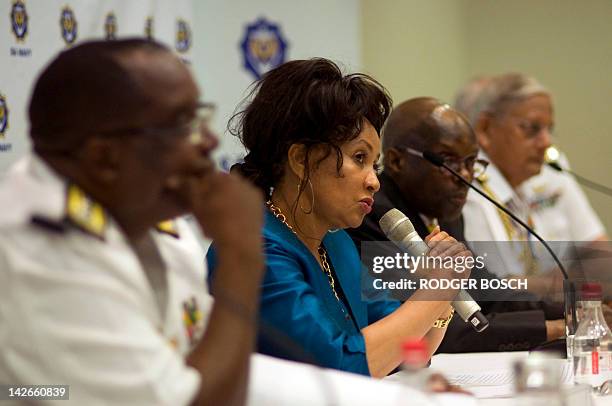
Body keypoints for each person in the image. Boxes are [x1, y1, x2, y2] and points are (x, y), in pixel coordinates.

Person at [0, 39, 265, 406]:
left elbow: (196, 361)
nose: (208, 140)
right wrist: (240, 253)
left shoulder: (156, 221)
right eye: (181, 124)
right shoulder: (39, 250)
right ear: (104, 158)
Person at [207, 58, 474, 378]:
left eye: (374, 165)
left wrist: (442, 296)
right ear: (301, 159)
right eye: (358, 158)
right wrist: (434, 292)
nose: (374, 181)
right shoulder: (251, 250)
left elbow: (408, 352)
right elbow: (339, 367)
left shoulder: (335, 241)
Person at [348, 97, 567, 353]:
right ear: (397, 162)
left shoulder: (446, 212)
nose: (464, 176)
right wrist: (556, 329)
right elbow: (431, 325)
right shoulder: (377, 217)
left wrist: (575, 309)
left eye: (471, 163)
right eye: (448, 162)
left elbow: (486, 291)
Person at [455, 74, 608, 289]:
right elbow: (498, 289)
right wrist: (569, 286)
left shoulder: (549, 167)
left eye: (549, 130)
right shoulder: (466, 188)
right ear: (485, 128)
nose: (546, 142)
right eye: (531, 128)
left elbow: (597, 247)